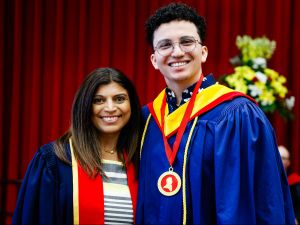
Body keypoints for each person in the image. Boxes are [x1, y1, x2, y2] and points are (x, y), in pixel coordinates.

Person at [136, 2, 295, 224]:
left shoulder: (237, 115)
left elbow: (265, 201)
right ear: (154, 60)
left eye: (186, 41)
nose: (177, 52)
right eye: (165, 45)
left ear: (203, 52)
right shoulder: (146, 120)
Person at [12, 68, 142, 224]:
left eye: (119, 99)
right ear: (85, 106)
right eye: (98, 100)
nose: (110, 108)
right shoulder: (55, 161)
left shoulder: (141, 159)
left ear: (132, 105)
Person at [279, 145, 300, 224]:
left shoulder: (295, 182)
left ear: (288, 162)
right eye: (278, 156)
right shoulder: (266, 182)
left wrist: (297, 219)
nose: (280, 160)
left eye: (283, 158)